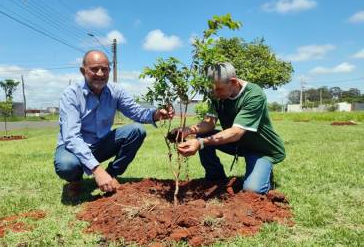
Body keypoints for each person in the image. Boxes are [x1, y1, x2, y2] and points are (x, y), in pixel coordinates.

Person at [54, 50, 174, 196]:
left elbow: (136, 112)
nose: (100, 74)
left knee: (137, 130)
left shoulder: (116, 91)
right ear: (83, 71)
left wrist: (156, 114)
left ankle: (111, 175)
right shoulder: (71, 95)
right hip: (73, 148)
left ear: (109, 70)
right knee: (67, 165)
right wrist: (97, 170)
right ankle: (76, 181)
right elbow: (71, 137)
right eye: (94, 69)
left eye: (104, 69)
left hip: (101, 144)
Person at [176, 62, 285, 194]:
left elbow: (236, 132)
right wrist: (189, 130)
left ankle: (264, 169)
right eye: (212, 90)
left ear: (233, 82)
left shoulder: (254, 95)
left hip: (260, 149)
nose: (215, 94)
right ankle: (216, 178)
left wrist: (200, 143)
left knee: (252, 190)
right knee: (202, 136)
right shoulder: (218, 95)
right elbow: (209, 123)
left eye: (218, 89)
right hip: (237, 144)